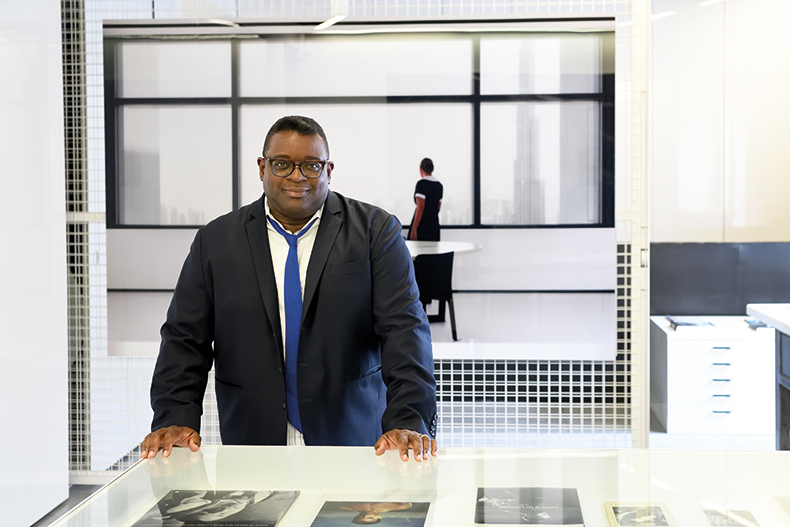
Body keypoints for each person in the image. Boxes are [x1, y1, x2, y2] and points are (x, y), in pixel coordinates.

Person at [140, 115, 438, 462]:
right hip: (252, 442)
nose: (297, 177)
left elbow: (405, 332)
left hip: (354, 442)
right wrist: (175, 417)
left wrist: (408, 419)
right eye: (282, 164)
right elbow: (183, 339)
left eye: (311, 165)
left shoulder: (375, 232)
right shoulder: (216, 242)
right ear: (262, 167)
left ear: (328, 171)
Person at [407, 157, 443, 241]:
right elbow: (438, 207)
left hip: (422, 225)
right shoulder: (439, 186)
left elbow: (420, 208)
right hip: (434, 225)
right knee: (433, 252)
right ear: (432, 169)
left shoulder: (421, 184)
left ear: (420, 169)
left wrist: (414, 229)